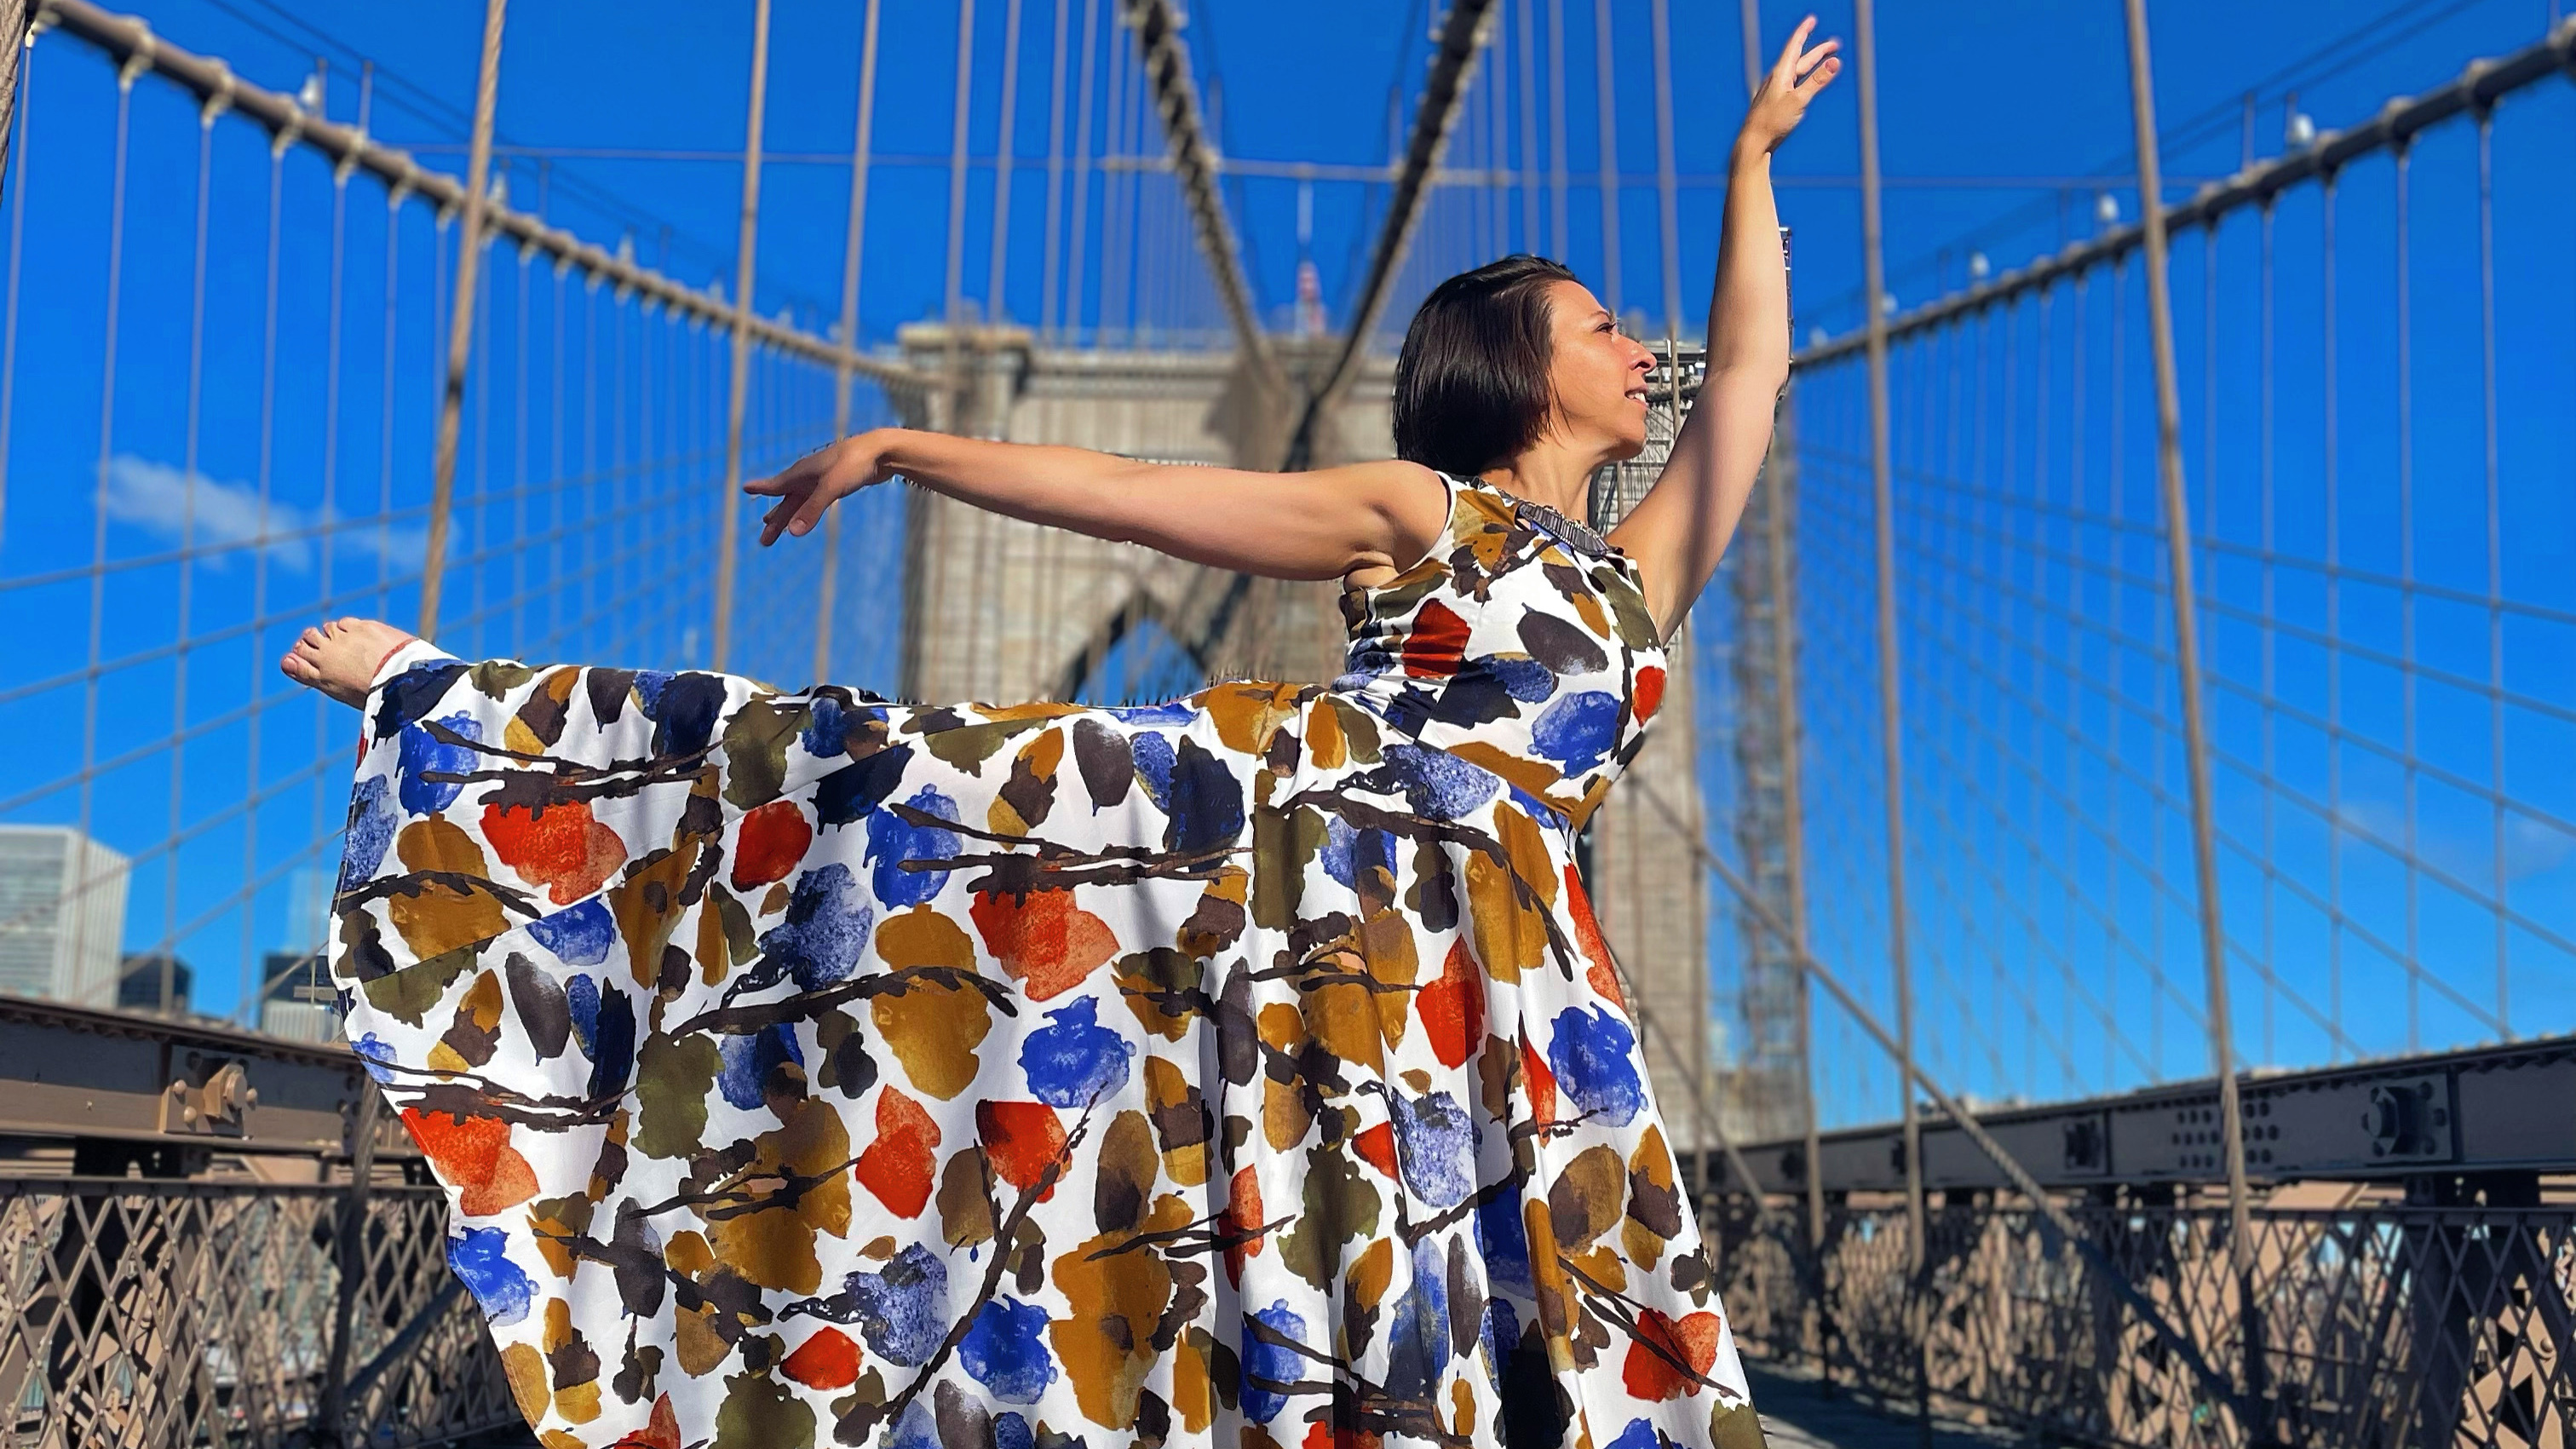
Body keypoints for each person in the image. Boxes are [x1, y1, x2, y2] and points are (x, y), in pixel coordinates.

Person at [283, 21, 1837, 1449]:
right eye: (1604, 324)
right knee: (893, 778)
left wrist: (1749, 167)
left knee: (1506, 1300)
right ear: (1518, 366)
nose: (1643, 350)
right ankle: (455, 715)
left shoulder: (1643, 580)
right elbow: (1143, 495)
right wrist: (906, 444)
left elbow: (1752, 373)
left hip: (1512, 980)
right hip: (1292, 876)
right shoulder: (1425, 513)